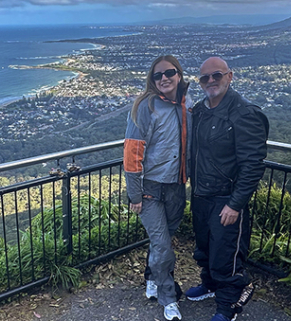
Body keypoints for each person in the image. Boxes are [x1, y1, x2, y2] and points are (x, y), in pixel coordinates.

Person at [186, 57, 268, 321]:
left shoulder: (245, 113)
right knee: (205, 247)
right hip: (201, 193)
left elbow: (252, 164)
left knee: (225, 253)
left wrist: (235, 203)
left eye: (217, 75)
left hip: (226, 197)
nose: (211, 81)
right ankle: (209, 284)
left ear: (230, 77)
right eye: (205, 78)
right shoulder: (200, 110)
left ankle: (228, 305)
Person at [124, 55, 191, 321]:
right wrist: (134, 194)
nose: (164, 78)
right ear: (151, 80)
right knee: (163, 247)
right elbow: (132, 151)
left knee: (160, 241)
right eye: (157, 75)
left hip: (176, 187)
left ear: (179, 75)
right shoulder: (146, 106)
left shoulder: (186, 109)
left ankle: (152, 277)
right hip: (151, 189)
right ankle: (169, 298)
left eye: (169, 73)